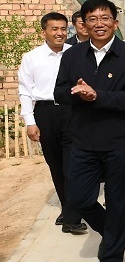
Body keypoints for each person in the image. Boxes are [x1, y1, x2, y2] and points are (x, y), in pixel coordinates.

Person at [53, 0, 125, 262]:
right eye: (92, 19)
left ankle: (111, 260)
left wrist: (98, 96)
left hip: (120, 140)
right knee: (79, 199)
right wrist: (75, 92)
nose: (99, 24)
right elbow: (58, 93)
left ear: (115, 23)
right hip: (83, 139)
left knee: (119, 201)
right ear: (83, 24)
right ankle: (111, 230)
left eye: (105, 18)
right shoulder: (72, 56)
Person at [18, 12, 86, 234]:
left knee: (72, 166)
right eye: (54, 29)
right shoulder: (32, 58)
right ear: (44, 32)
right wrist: (30, 121)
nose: (60, 33)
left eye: (63, 29)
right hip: (46, 114)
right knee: (55, 165)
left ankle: (72, 218)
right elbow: (25, 91)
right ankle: (67, 209)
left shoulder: (76, 54)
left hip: (72, 111)